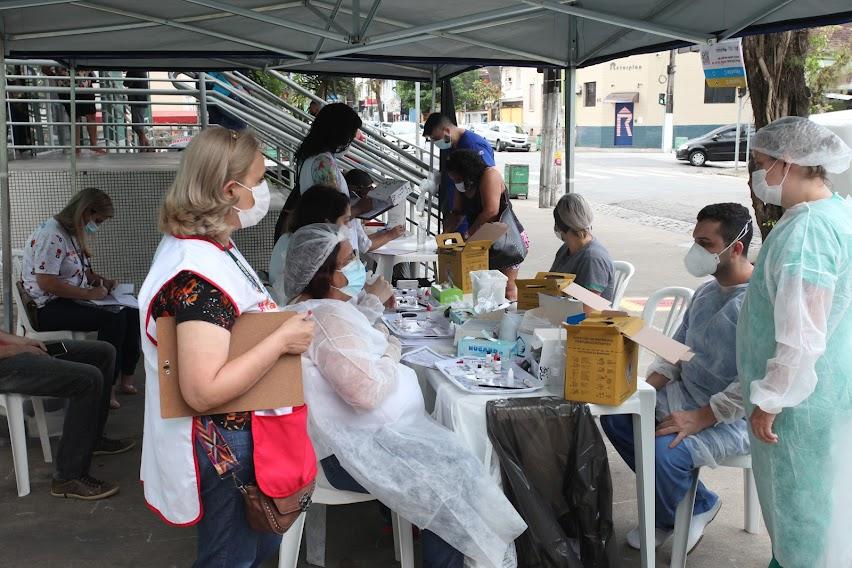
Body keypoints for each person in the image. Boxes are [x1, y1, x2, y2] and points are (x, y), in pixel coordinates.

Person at [281, 223, 526, 568]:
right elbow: (364, 390)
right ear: (328, 276)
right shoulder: (325, 321)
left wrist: (378, 332)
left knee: (457, 463)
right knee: (453, 479)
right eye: (350, 260)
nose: (359, 267)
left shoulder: (317, 311)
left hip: (368, 440)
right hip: (354, 454)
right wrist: (390, 351)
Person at [138, 126, 317, 567]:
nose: (266, 192)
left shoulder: (209, 247)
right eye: (258, 181)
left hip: (243, 431)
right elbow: (203, 390)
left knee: (253, 549)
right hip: (227, 440)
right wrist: (281, 341)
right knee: (231, 557)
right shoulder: (197, 278)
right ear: (229, 190)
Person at [601, 202, 754, 552]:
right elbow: (677, 352)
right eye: (695, 242)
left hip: (734, 416)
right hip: (688, 394)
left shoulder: (755, 304)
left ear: (737, 248)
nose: (696, 252)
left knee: (663, 452)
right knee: (619, 417)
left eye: (706, 244)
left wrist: (701, 418)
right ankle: (687, 504)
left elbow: (755, 383)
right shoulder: (705, 293)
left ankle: (681, 510)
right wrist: (641, 391)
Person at [736, 116, 852, 568]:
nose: (757, 175)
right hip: (823, 391)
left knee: (799, 517)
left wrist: (771, 397)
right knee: (816, 515)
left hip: (799, 406)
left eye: (761, 164)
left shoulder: (808, 232)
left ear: (789, 164)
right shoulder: (834, 213)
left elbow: (801, 334)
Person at [22, 187, 141, 409]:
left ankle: (127, 376)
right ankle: (107, 386)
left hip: (67, 299)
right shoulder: (52, 235)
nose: (96, 226)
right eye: (97, 220)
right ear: (86, 211)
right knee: (113, 319)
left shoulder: (71, 233)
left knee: (132, 311)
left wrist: (101, 281)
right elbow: (46, 282)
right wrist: (88, 293)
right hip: (47, 307)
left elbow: (77, 271)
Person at [0, 330, 126, 499]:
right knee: (88, 379)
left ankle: (92, 440)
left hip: (13, 352)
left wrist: (21, 342)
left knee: (104, 352)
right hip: (5, 364)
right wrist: (14, 350)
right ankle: (68, 476)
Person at [283, 103, 403, 256]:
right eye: (350, 138)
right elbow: (332, 213)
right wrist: (360, 208)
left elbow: (323, 197)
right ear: (339, 134)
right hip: (335, 247)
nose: (349, 144)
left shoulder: (311, 159)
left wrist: (352, 191)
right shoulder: (323, 163)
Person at [444, 149, 528, 300]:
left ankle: (510, 320)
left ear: (468, 172)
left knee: (506, 289)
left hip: (507, 242)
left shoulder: (489, 175)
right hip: (481, 242)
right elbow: (457, 213)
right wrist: (444, 238)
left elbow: (491, 211)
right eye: (453, 179)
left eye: (457, 178)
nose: (456, 182)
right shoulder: (463, 185)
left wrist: (469, 234)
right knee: (484, 290)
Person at [423, 113, 495, 225]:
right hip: (457, 212)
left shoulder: (473, 146)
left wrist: (471, 232)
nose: (436, 143)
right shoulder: (451, 146)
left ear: (447, 131)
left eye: (436, 139)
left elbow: (488, 180)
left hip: (475, 218)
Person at [550, 193, 615, 303]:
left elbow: (590, 309)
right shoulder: (565, 249)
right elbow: (549, 283)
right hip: (560, 312)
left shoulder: (593, 259)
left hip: (579, 318)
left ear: (560, 226)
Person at [124, 70, 151, 148]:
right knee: (138, 127)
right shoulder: (141, 70)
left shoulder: (133, 70)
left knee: (138, 127)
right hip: (141, 100)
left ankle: (144, 147)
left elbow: (126, 83)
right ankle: (147, 146)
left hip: (137, 100)